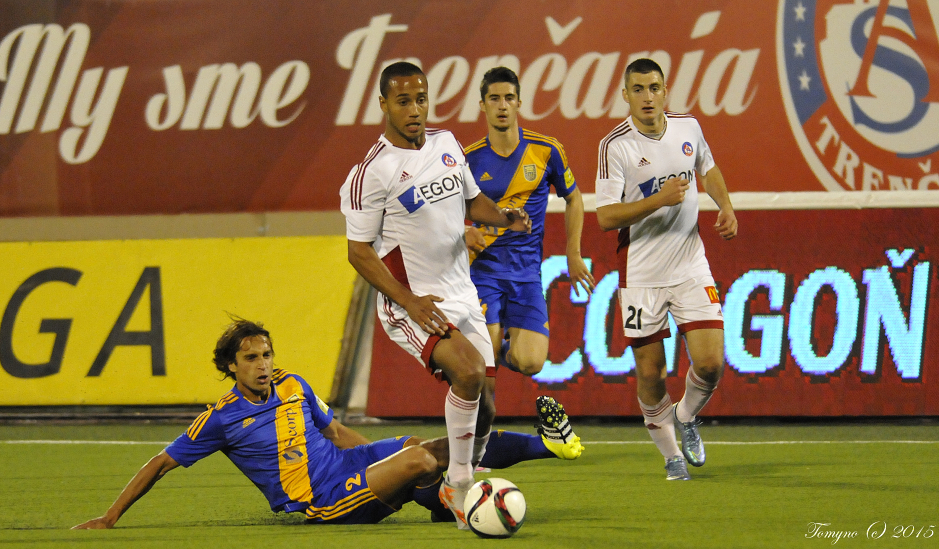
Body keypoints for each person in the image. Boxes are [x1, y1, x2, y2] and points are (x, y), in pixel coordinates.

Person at [72, 319, 584, 529]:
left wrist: (385, 465)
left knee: (424, 446)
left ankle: (549, 446)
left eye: (267, 354)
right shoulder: (221, 419)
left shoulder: (293, 385)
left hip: (347, 466)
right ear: (231, 366)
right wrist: (111, 516)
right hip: (321, 499)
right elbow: (161, 463)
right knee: (421, 460)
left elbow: (336, 432)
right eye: (251, 358)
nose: (263, 364)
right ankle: (446, 498)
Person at [340, 61, 545, 528]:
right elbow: (358, 252)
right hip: (413, 303)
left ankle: (441, 488)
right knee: (468, 373)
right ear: (383, 105)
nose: (415, 110)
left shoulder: (447, 143)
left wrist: (504, 217)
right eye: (403, 101)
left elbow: (471, 201)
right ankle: (458, 486)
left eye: (421, 99)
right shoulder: (372, 172)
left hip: (461, 291)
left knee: (486, 408)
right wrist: (408, 301)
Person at [594, 58, 738, 481]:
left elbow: (708, 169)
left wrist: (726, 205)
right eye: (638, 89)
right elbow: (605, 217)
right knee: (651, 373)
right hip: (642, 273)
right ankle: (672, 456)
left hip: (690, 264)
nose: (647, 97)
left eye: (654, 88)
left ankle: (686, 415)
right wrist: (659, 198)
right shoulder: (615, 146)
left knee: (710, 364)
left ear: (665, 90)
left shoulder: (688, 127)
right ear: (625, 95)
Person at [463, 66, 593, 460]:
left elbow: (574, 198)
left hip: (525, 276)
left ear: (519, 102)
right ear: (482, 105)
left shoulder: (546, 150)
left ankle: (495, 341)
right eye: (494, 99)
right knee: (483, 376)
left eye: (508, 98)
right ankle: (473, 456)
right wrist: (464, 232)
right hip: (483, 273)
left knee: (531, 362)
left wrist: (573, 253)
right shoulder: (467, 159)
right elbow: (447, 212)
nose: (502, 105)